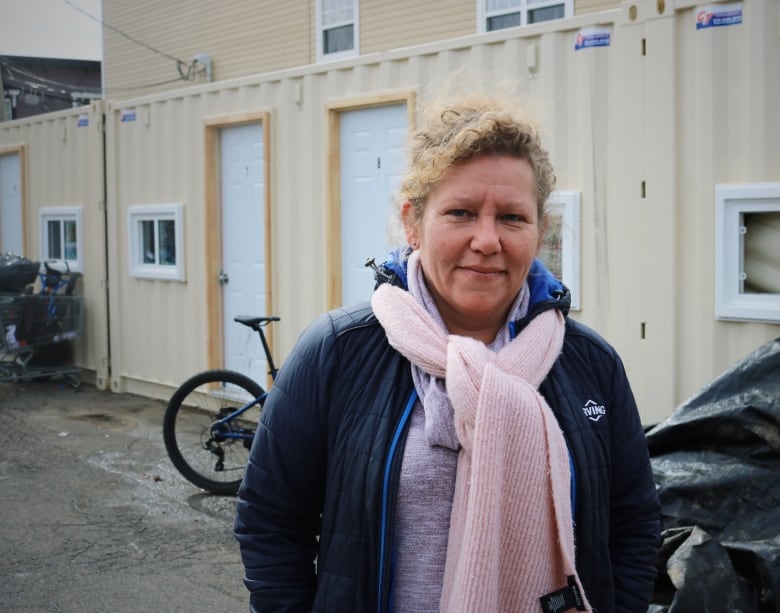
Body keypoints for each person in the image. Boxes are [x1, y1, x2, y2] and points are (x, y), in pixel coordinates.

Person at [235, 86, 661, 613]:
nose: (487, 240)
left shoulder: (591, 364)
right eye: (460, 213)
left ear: (540, 229)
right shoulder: (338, 351)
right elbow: (271, 521)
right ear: (413, 222)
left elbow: (635, 525)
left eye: (511, 217)